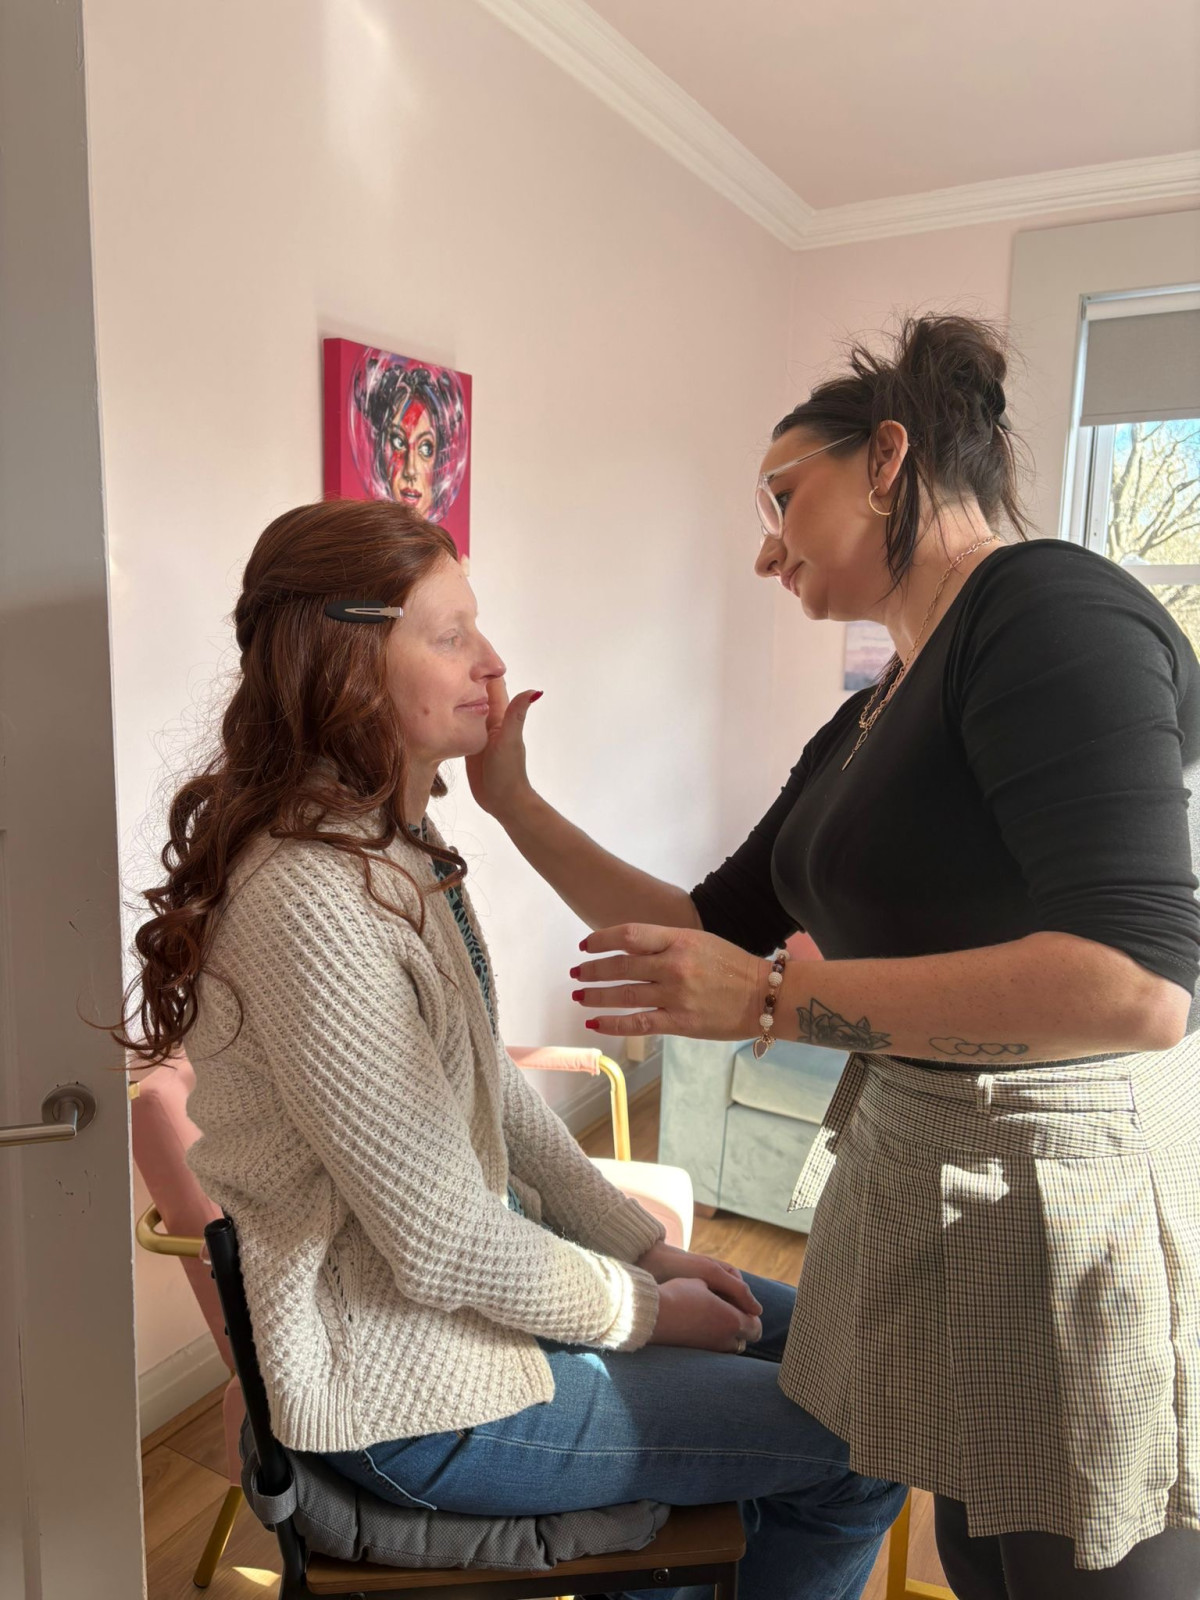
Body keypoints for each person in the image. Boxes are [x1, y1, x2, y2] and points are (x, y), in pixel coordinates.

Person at [467, 316, 1200, 1599]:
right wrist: (513, 804)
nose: (765, 549)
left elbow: (1138, 986)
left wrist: (775, 998)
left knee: (1083, 1562)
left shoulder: (1048, 610)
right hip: (947, 1180)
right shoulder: (872, 710)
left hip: (1057, 1201)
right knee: (980, 1550)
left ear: (888, 460)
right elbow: (708, 920)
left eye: (782, 496)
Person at [117, 498, 905, 1600]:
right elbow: (442, 1243)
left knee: (856, 1368)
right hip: (408, 1395)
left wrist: (646, 1251)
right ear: (343, 664)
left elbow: (495, 1093)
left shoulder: (394, 846)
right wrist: (640, 1309)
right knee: (862, 1445)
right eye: (450, 636)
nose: (491, 662)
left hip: (464, 1333)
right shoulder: (310, 897)